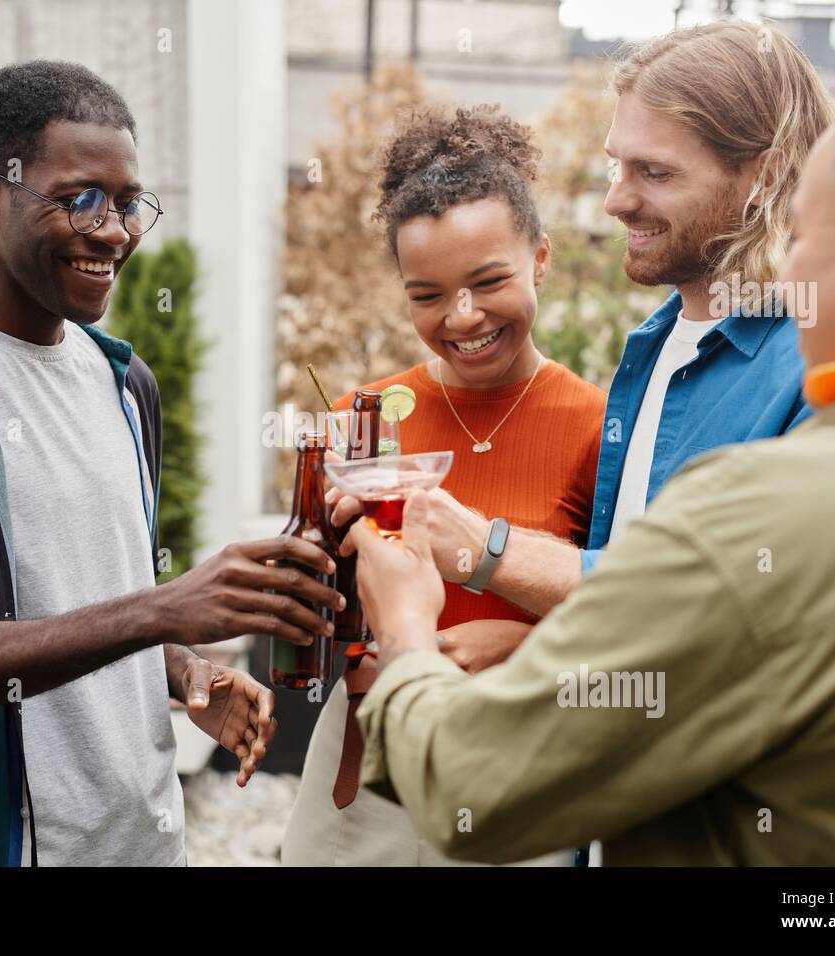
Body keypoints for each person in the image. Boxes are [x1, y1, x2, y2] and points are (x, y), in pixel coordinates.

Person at [345, 56, 835, 866]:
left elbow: (469, 779)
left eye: (809, 237)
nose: (615, 198)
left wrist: (406, 622)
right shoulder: (650, 359)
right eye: (615, 167)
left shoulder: (764, 501)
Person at [0, 61, 342, 866]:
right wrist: (161, 613)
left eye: (128, 201)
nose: (113, 230)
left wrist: (182, 671)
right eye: (78, 199)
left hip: (143, 842)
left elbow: (89, 601)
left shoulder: (125, 384)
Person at [281, 105, 606, 866]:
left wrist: (526, 643)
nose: (462, 318)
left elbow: (636, 607)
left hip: (518, 771)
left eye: (489, 281)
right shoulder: (362, 418)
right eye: (426, 295)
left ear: (543, 258)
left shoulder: (598, 425)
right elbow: (320, 612)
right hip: (363, 769)